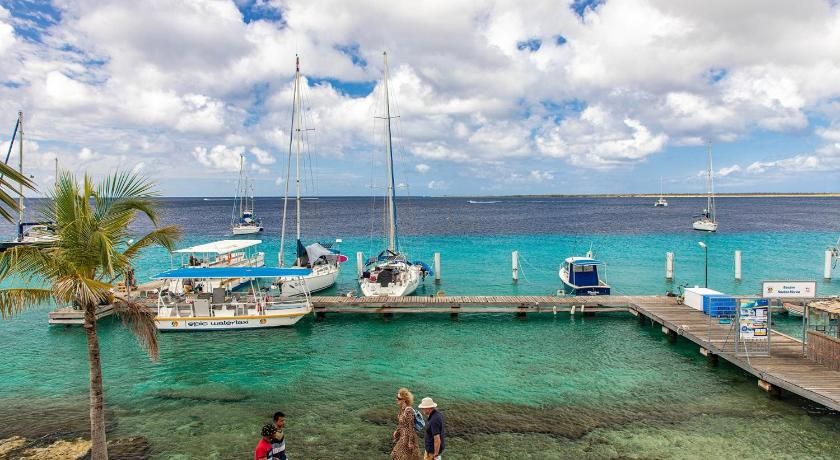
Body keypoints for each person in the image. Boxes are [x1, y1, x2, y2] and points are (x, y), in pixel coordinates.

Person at [391, 388, 421, 460]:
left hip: (407, 438)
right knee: (399, 456)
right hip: (402, 436)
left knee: (396, 455)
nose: (396, 399)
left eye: (399, 398)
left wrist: (411, 442)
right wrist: (397, 431)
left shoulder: (408, 410)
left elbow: (411, 427)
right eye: (397, 397)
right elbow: (401, 424)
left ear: (404, 400)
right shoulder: (402, 409)